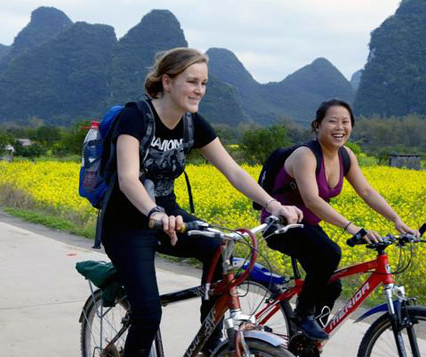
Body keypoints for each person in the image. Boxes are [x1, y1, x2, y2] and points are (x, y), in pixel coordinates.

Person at [99, 47, 302, 357]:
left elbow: (233, 171)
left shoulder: (193, 123)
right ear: (167, 82)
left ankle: (208, 346)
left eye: (204, 83)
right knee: (149, 314)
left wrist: (273, 204)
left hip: (170, 216)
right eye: (192, 81)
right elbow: (128, 178)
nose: (199, 90)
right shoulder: (135, 117)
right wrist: (154, 212)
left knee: (219, 249)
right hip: (127, 224)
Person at [260, 99, 420, 341]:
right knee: (330, 254)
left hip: (309, 226)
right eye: (332, 121)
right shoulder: (306, 155)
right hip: (281, 226)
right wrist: (352, 227)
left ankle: (310, 343)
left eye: (345, 122)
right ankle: (302, 315)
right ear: (317, 125)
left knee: (332, 285)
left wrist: (396, 219)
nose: (340, 127)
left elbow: (366, 191)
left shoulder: (346, 156)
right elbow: (312, 200)